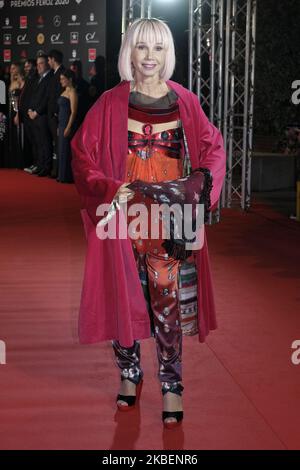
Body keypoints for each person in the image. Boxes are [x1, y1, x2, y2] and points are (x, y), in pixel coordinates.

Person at [71, 18, 226, 428]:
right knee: (121, 298)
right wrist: (107, 186)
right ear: (130, 54)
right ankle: (129, 373)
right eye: (142, 48)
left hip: (170, 220)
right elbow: (81, 155)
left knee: (167, 303)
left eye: (158, 48)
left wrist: (198, 184)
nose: (150, 58)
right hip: (121, 219)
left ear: (167, 54)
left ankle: (172, 384)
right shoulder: (108, 102)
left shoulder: (186, 102)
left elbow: (213, 148)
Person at [27, 54, 53, 177]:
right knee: (39, 142)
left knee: (45, 142)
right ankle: (40, 165)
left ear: (47, 64)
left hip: (42, 116)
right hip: (34, 115)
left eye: (41, 63)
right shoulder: (39, 78)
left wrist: (36, 112)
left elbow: (46, 98)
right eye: (37, 64)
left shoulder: (50, 78)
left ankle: (46, 167)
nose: (38, 66)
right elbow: (34, 97)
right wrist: (30, 110)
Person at [57, 69, 78, 183]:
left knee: (66, 151)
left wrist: (68, 127)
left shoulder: (72, 92)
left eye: (63, 79)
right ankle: (61, 176)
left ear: (69, 79)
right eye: (60, 79)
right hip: (61, 124)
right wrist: (59, 127)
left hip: (67, 124)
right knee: (61, 151)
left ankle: (66, 177)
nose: (61, 81)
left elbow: (73, 112)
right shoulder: (64, 91)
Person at [47, 49, 65, 178]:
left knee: (59, 145)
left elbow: (61, 96)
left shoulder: (62, 73)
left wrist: (57, 114)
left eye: (48, 60)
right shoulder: (54, 73)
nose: (48, 62)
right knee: (55, 144)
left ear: (53, 59)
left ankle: (60, 172)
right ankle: (56, 170)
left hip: (59, 116)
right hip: (52, 115)